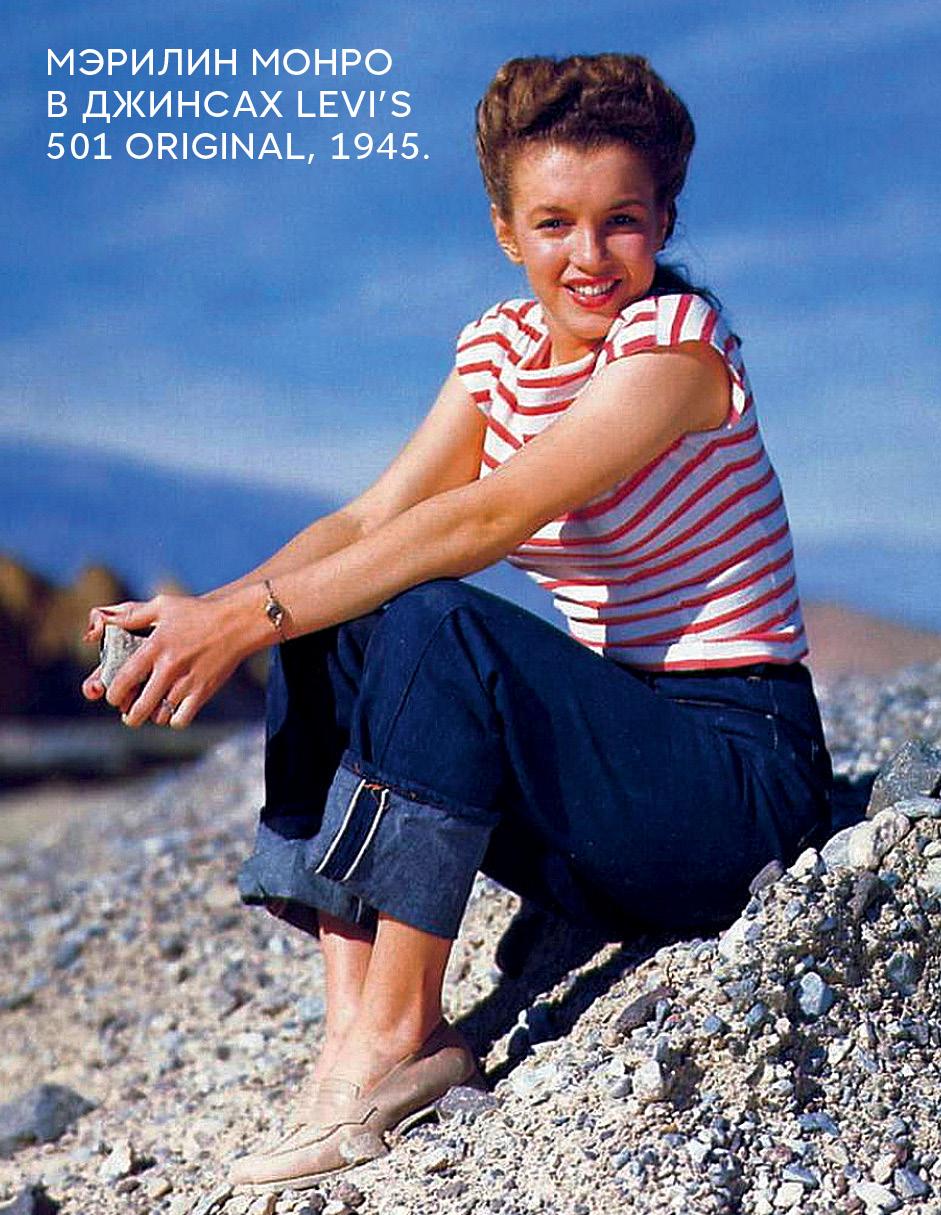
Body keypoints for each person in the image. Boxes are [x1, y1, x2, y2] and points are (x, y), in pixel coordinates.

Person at [81, 52, 834, 1190]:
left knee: (437, 619)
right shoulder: (499, 352)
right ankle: (357, 1037)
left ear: (664, 221)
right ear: (505, 231)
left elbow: (491, 513)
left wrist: (240, 622)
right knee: (336, 623)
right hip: (615, 799)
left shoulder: (676, 348)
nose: (590, 256)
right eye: (555, 223)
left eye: (623, 221)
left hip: (736, 787)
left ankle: (395, 1040)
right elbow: (370, 518)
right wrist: (213, 613)